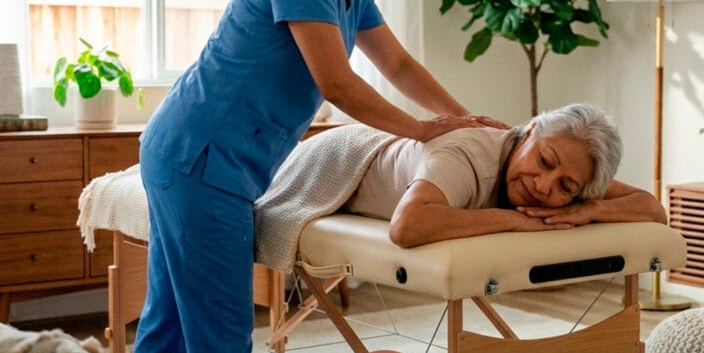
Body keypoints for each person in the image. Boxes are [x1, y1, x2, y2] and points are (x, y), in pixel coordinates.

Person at [132, 0, 507, 353]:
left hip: (194, 155)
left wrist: (466, 122)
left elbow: (398, 64)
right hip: (201, 158)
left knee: (168, 327)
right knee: (221, 343)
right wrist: (422, 130)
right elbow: (337, 84)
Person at [254, 103, 667, 271]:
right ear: (530, 132)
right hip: (339, 156)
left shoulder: (575, 172)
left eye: (566, 187)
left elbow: (651, 208)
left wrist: (590, 209)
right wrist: (513, 221)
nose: (544, 187)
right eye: (544, 162)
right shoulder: (467, 154)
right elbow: (407, 227)